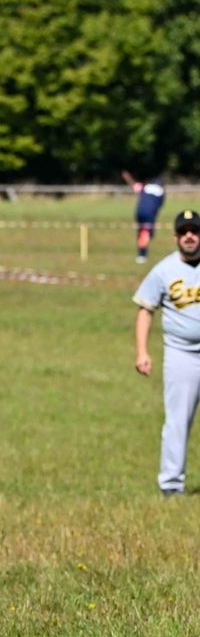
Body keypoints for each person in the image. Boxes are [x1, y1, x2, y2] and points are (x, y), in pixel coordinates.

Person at [134, 210, 200, 497]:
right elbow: (145, 309)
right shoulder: (163, 270)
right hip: (181, 355)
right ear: (175, 236)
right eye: (183, 231)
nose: (189, 236)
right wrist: (142, 352)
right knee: (177, 420)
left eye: (195, 231)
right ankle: (171, 486)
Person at [124, 171, 168, 263]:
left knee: (141, 232)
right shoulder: (161, 193)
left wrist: (127, 177)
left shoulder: (145, 188)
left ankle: (142, 253)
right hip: (150, 213)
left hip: (139, 212)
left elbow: (134, 185)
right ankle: (142, 255)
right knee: (147, 234)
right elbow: (158, 208)